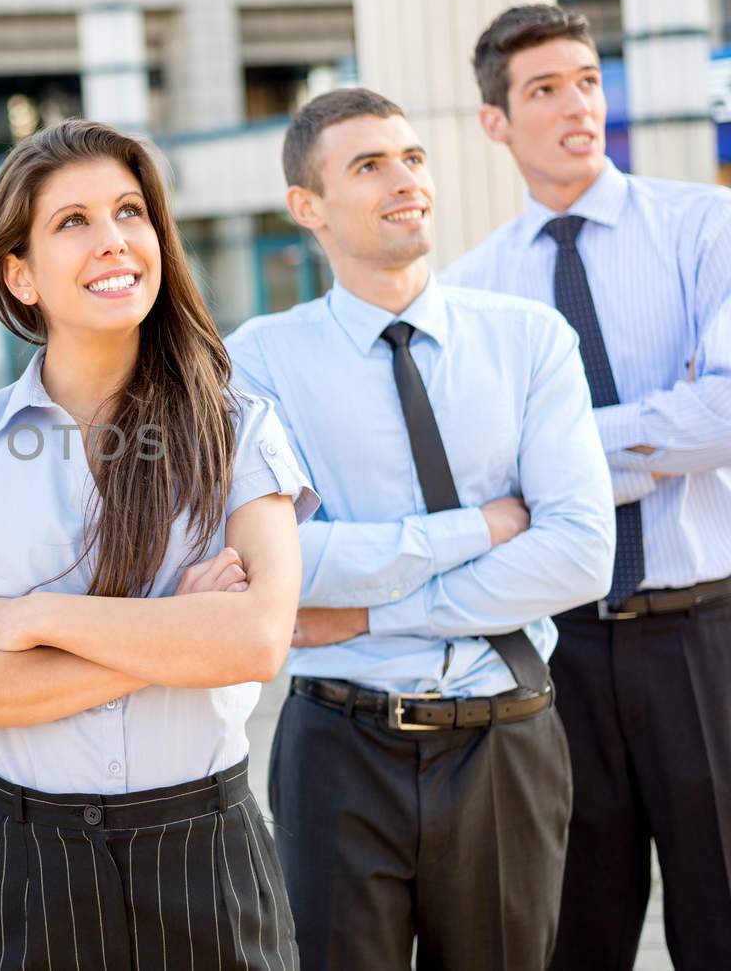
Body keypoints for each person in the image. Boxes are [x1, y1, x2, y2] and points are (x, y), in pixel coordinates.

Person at [0, 119, 315, 970]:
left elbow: (257, 640)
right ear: (20, 272)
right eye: (72, 221)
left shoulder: (238, 428)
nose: (113, 240)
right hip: (35, 862)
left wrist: (42, 616)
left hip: (208, 853)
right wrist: (178, 634)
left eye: (129, 211)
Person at [225, 88, 616, 970]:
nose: (405, 180)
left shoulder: (530, 340)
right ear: (307, 207)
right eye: (368, 165)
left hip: (505, 740)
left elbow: (582, 552)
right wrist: (476, 528)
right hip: (337, 747)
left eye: (413, 158)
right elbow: (279, 565)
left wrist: (368, 613)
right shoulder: (258, 361)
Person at [449, 3, 731, 971]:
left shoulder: (706, 228)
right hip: (553, 648)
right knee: (568, 929)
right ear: (495, 121)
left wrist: (555, 456)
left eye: (586, 80)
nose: (575, 105)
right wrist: (665, 417)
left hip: (703, 634)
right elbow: (478, 477)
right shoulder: (471, 293)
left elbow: (729, 414)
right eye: (542, 89)